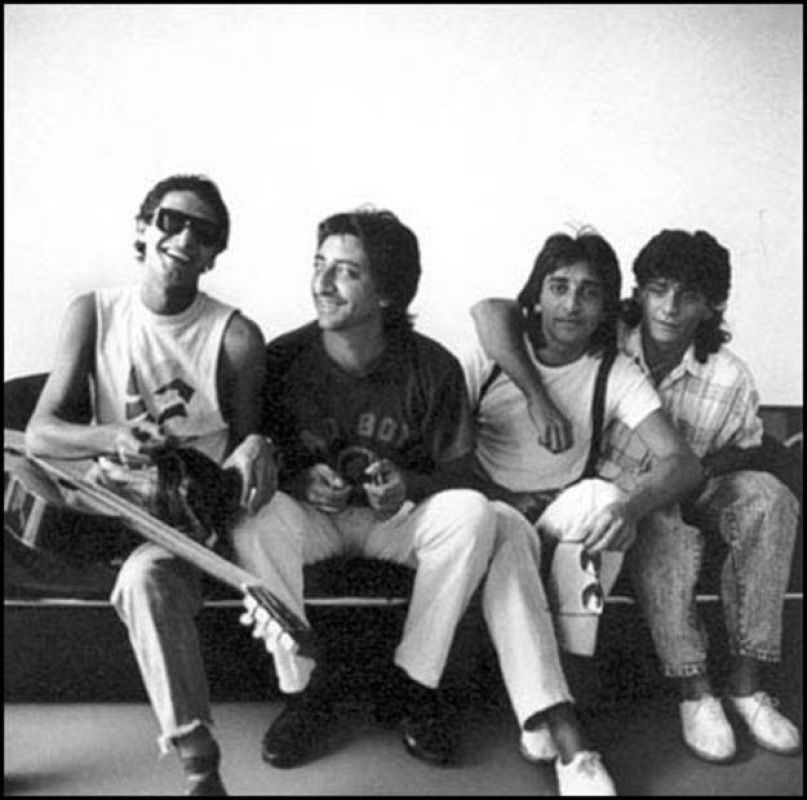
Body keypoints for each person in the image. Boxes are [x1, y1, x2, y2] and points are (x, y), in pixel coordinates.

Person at [471, 228, 802, 765]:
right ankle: (694, 691)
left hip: (693, 484)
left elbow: (745, 449)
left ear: (711, 305)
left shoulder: (729, 376)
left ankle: (748, 685)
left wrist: (702, 476)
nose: (669, 307)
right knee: (656, 517)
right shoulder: (606, 338)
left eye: (688, 296)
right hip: (620, 498)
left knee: (771, 498)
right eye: (659, 289)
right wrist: (537, 399)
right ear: (640, 292)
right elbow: (492, 313)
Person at [25, 174, 277, 796]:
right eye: (171, 221)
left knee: (144, 580)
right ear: (143, 228)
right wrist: (111, 435)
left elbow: (246, 450)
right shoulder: (93, 313)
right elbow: (40, 434)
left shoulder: (235, 337)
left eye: (204, 232)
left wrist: (255, 449)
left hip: (181, 525)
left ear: (214, 254)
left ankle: (200, 768)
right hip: (96, 506)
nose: (185, 238)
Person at [232, 207, 497, 772]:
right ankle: (302, 692)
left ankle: (416, 685)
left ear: (387, 293)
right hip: (314, 521)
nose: (323, 283)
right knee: (254, 517)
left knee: (474, 513)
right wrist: (298, 479)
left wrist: (407, 487)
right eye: (319, 264)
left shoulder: (432, 366)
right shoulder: (282, 359)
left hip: (392, 522)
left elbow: (463, 476)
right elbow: (253, 460)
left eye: (347, 271)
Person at [465, 229, 703, 763]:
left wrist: (631, 507)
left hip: (555, 517)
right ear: (537, 294)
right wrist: (537, 400)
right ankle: (550, 710)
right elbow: (445, 451)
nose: (571, 304)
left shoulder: (613, 370)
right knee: (498, 523)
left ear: (606, 306)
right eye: (559, 287)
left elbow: (683, 462)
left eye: (589, 292)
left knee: (603, 499)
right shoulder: (491, 355)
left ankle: (568, 672)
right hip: (487, 512)